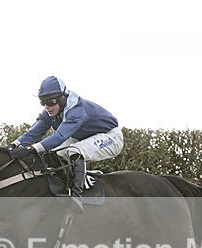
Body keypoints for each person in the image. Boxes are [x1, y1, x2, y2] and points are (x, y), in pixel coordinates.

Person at [8, 76, 124, 213]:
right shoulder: (49, 112)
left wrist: (32, 149)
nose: (47, 106)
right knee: (53, 154)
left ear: (63, 98)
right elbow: (35, 131)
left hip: (111, 136)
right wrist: (14, 144)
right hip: (84, 137)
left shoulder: (76, 109)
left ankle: (77, 195)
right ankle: (64, 187)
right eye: (43, 102)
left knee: (75, 151)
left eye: (51, 101)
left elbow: (59, 137)